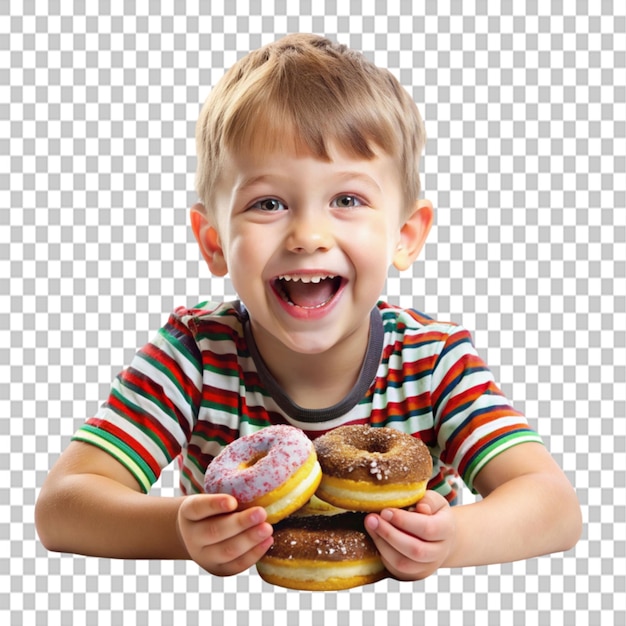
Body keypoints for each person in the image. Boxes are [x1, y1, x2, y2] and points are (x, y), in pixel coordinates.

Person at [35, 33, 581, 582]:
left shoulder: (433, 363)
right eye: (268, 203)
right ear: (214, 241)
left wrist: (454, 538)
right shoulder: (195, 355)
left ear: (406, 235)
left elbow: (555, 508)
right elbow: (62, 508)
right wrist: (179, 529)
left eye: (347, 200)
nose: (309, 235)